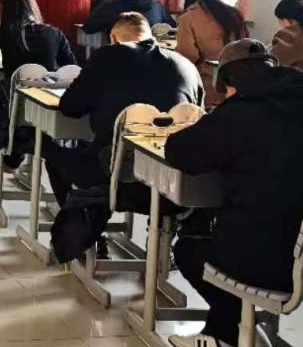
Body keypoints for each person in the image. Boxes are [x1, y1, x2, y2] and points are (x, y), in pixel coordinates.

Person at [165, 40, 303, 347]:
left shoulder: (240, 113)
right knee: (254, 229)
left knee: (190, 248)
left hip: (270, 269)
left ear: (230, 85)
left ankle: (223, 338)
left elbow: (179, 152)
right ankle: (241, 332)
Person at [50, 12, 203, 205]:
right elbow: (198, 118)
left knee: (53, 152)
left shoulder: (106, 56)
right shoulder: (186, 65)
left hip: (114, 165)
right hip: (172, 174)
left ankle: (80, 208)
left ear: (113, 39)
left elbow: (70, 107)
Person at [0, 0, 76, 176]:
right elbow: (72, 67)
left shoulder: (5, 32)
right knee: (20, 116)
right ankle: (12, 161)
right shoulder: (54, 33)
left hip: (13, 107)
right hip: (45, 107)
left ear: (4, 8)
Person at [175, 0, 248, 107]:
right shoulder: (233, 13)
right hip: (240, 78)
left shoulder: (188, 18)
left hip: (209, 82)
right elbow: (246, 42)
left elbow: (187, 56)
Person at [82, 0, 175, 34]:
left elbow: (88, 27)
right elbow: (174, 28)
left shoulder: (114, 4)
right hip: (158, 54)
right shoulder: (156, 4)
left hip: (128, 54)